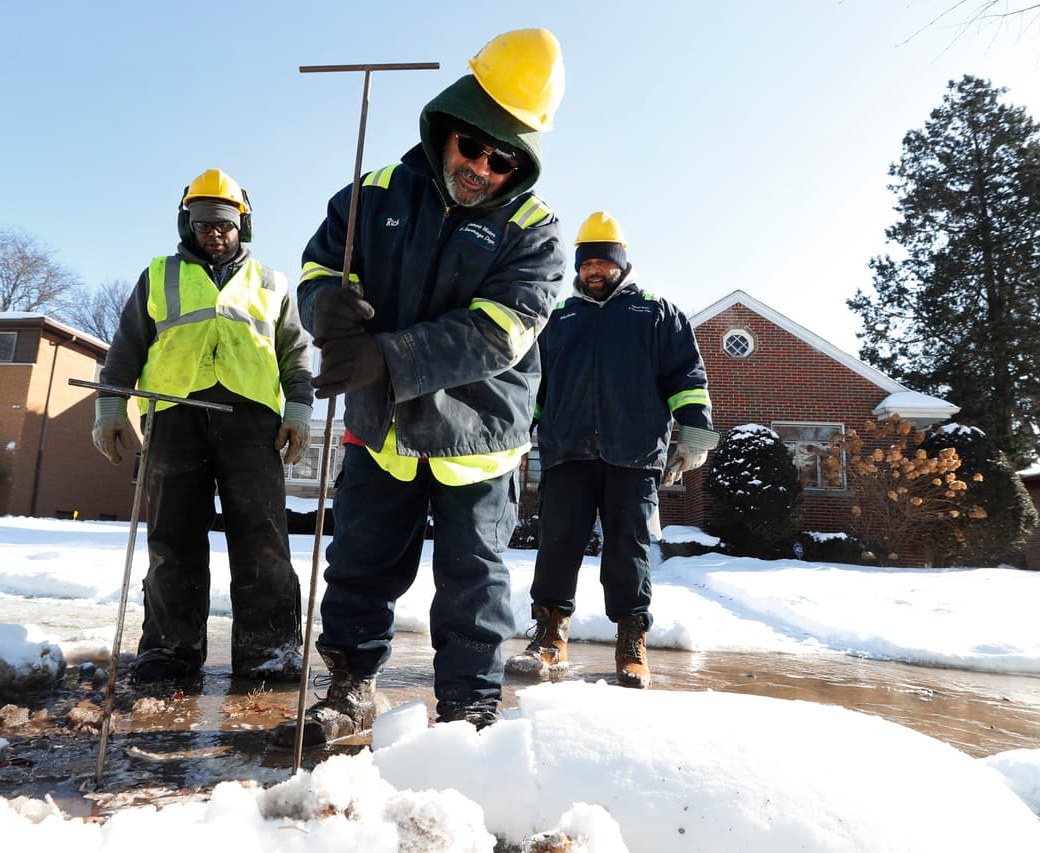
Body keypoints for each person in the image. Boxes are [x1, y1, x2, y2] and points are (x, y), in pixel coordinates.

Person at [272, 29, 567, 746]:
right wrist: (324, 307)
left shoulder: (535, 231)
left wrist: (386, 358)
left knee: (474, 581)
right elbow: (317, 268)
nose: (482, 168)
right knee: (360, 560)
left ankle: (469, 706)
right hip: (382, 430)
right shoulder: (371, 195)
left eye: (503, 160)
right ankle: (350, 685)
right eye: (473, 147)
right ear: (446, 127)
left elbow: (497, 333)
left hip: (479, 437)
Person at [91, 168, 313, 685]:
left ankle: (270, 651)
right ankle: (170, 651)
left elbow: (295, 355)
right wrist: (110, 407)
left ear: (243, 224)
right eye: (202, 222)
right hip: (172, 416)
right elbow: (126, 347)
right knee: (173, 537)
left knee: (262, 538)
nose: (213, 232)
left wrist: (298, 409)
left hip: (251, 421)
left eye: (224, 223)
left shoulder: (272, 283)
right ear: (185, 222)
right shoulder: (159, 275)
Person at [504, 211, 718, 688]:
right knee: (557, 546)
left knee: (629, 550)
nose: (592, 271)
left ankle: (631, 641)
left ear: (621, 263)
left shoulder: (657, 314)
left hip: (635, 453)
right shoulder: (559, 318)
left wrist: (696, 432)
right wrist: (517, 435)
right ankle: (549, 638)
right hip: (567, 453)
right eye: (585, 264)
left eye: (602, 262)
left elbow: (688, 377)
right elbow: (534, 388)